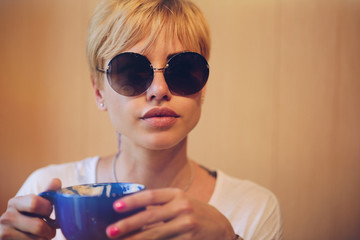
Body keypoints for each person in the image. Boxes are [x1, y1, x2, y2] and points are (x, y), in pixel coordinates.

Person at [0, 0, 282, 239]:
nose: (159, 90)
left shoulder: (252, 208)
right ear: (98, 92)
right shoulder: (44, 196)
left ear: (203, 86)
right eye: (131, 72)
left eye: (183, 69)